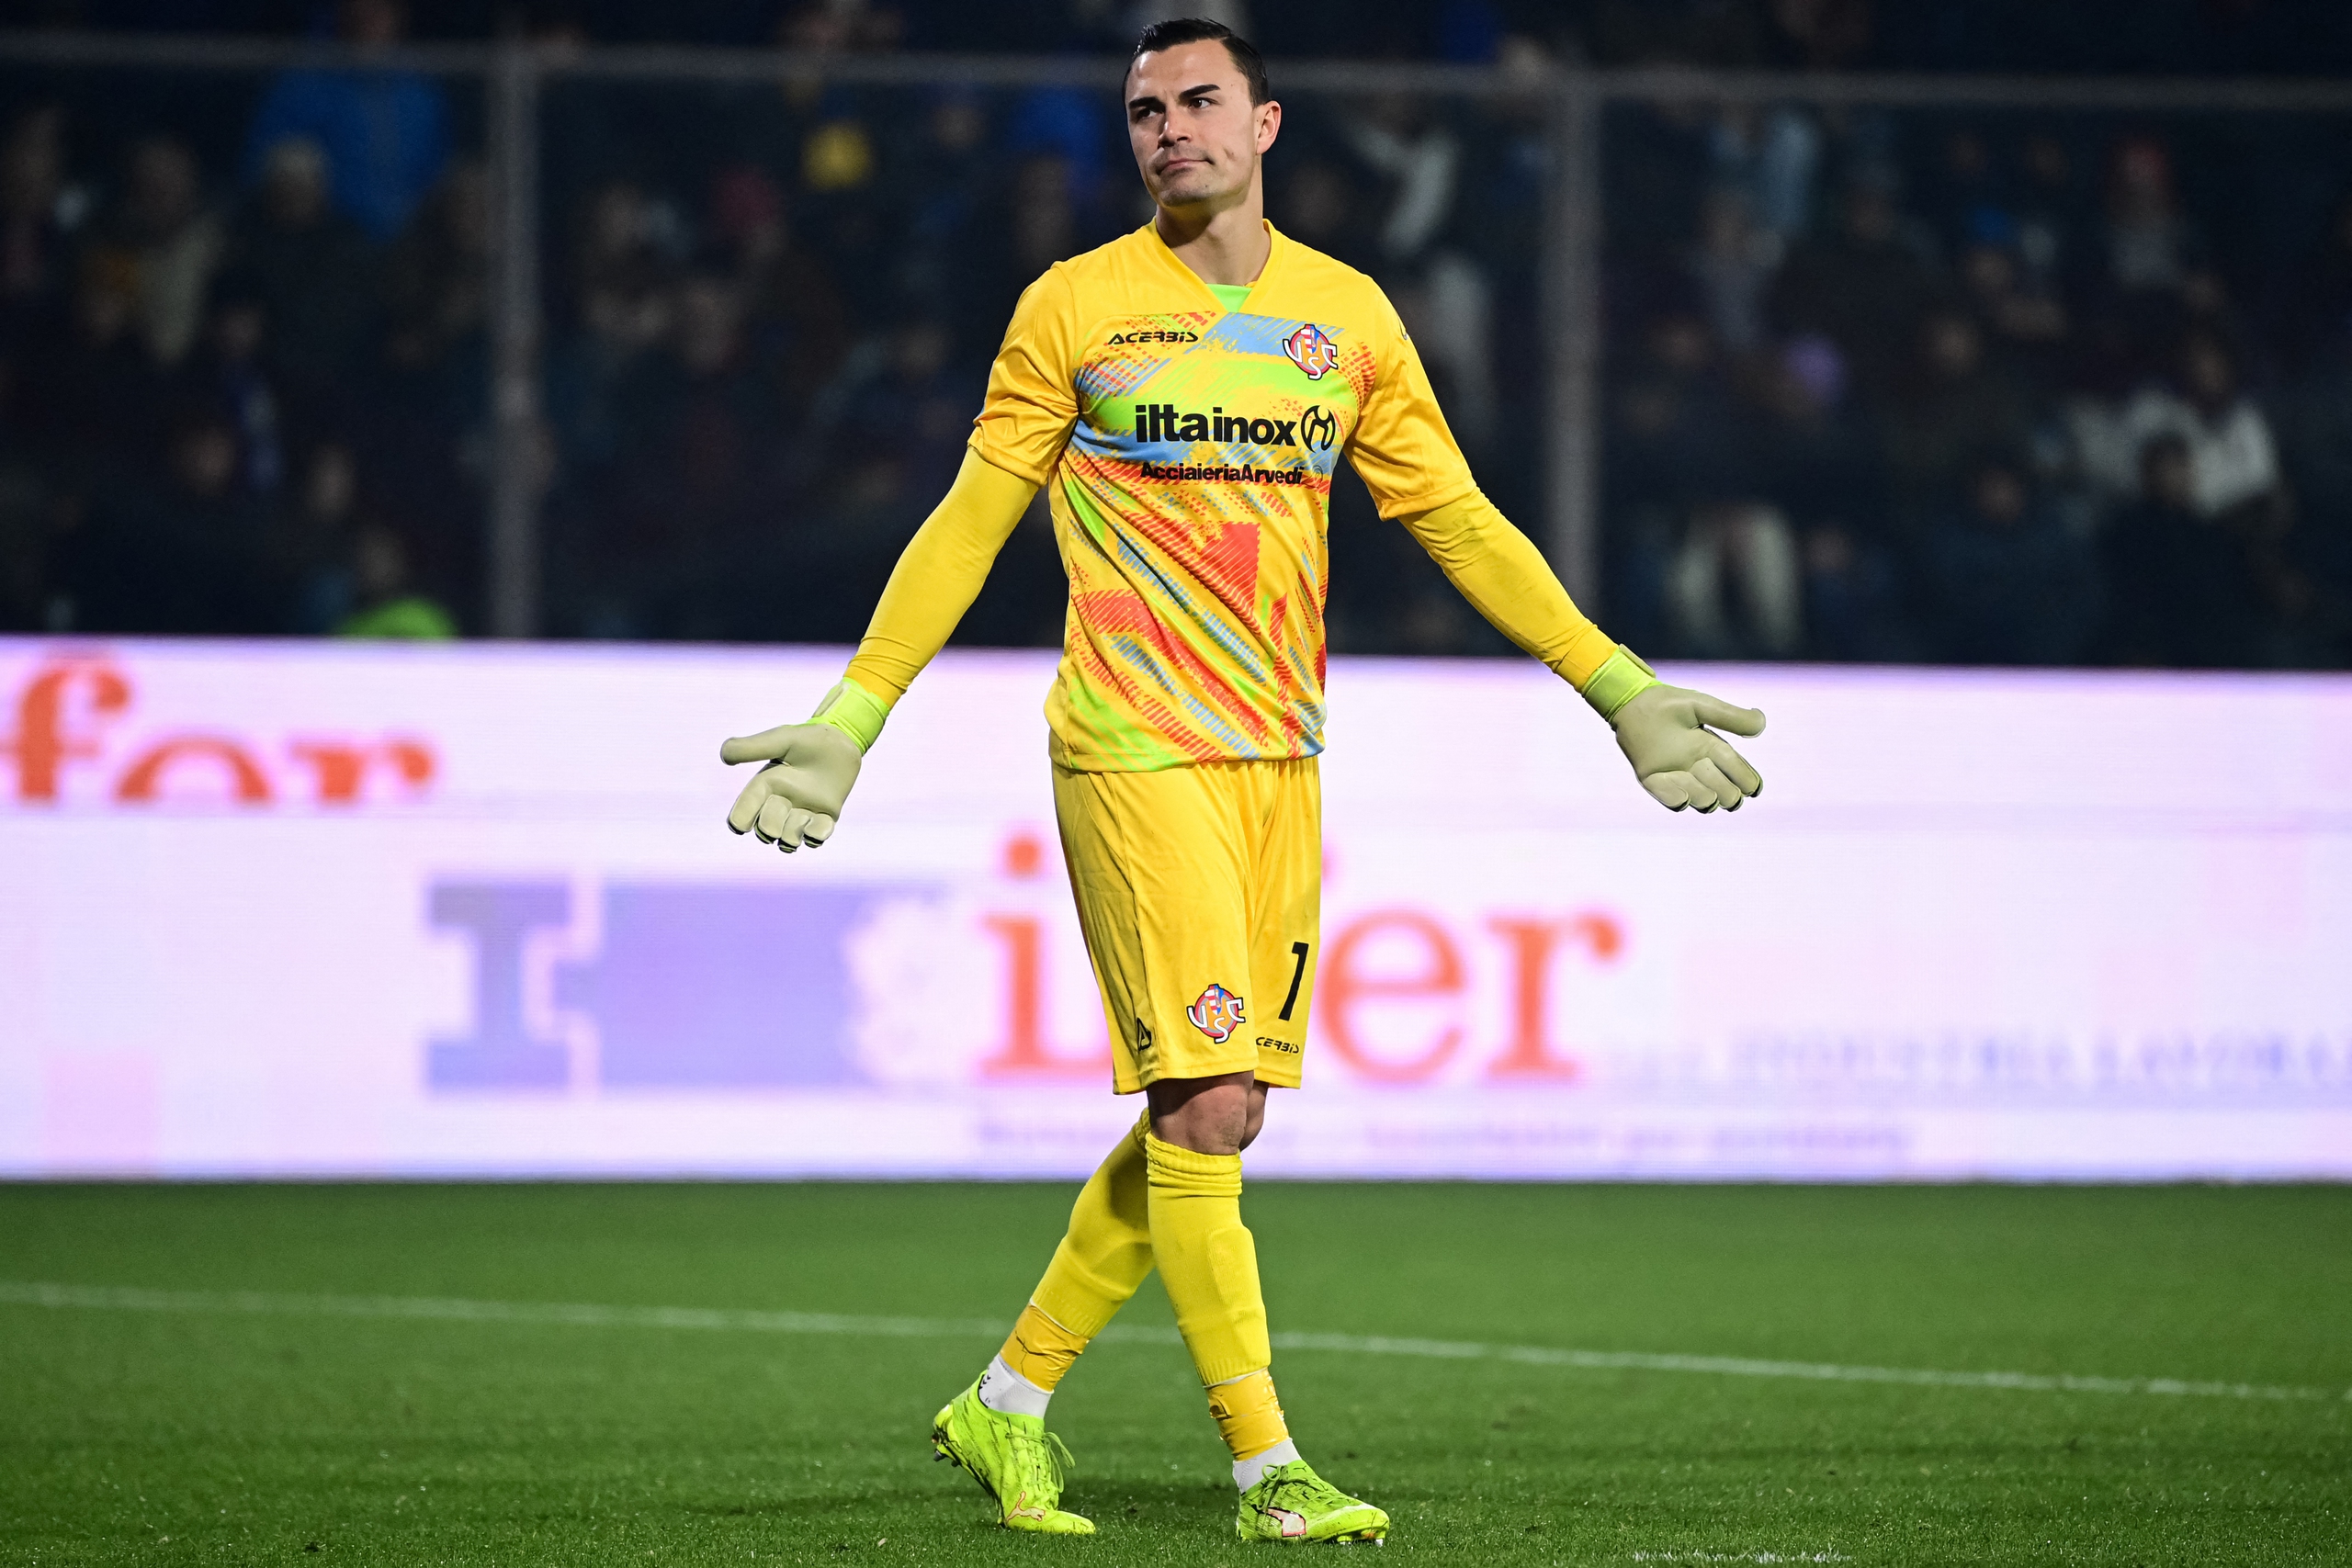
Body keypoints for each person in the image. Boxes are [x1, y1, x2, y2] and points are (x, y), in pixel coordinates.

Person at [716, 18, 1767, 1545]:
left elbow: (1459, 520)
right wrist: (855, 713)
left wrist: (1617, 687)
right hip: (1132, 744)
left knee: (1221, 1116)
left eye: (1200, 101)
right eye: (1144, 111)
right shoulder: (1074, 307)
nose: (1171, 129)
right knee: (1206, 1100)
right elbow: (971, 519)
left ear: (1266, 123)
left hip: (1282, 755)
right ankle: (1268, 1468)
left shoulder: (1348, 317)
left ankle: (1006, 1401)